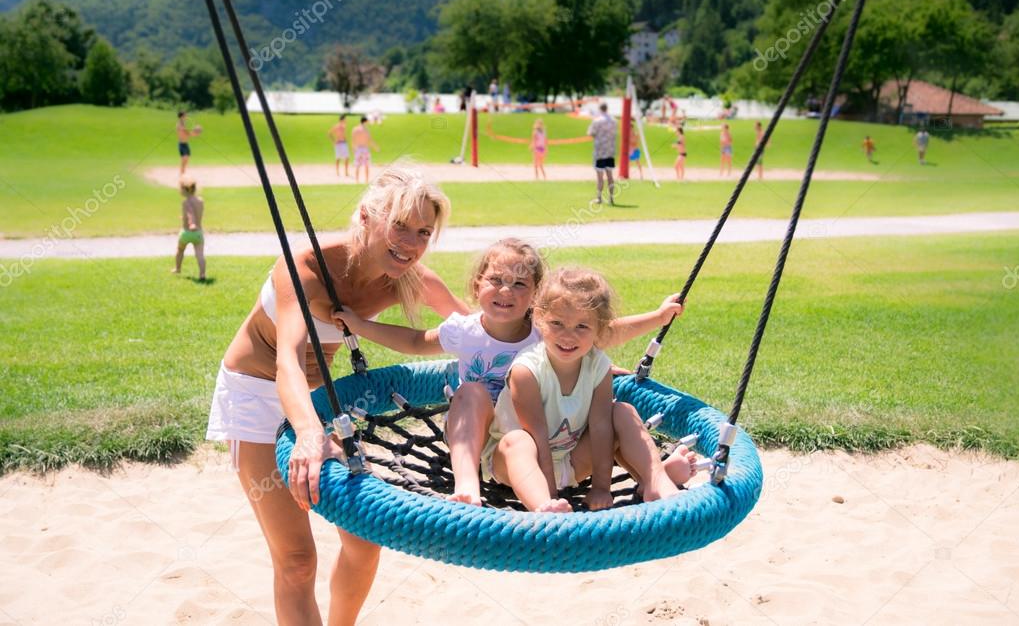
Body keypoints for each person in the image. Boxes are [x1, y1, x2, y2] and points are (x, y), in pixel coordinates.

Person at [206, 170, 469, 626]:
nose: (411, 242)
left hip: (319, 399)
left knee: (364, 539)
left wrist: (575, 364)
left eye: (423, 232)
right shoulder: (306, 264)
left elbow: (483, 333)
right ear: (366, 218)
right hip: (256, 395)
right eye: (400, 226)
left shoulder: (407, 278)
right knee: (296, 559)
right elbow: (288, 356)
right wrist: (309, 434)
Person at [334, 239, 691, 507]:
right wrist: (359, 326)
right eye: (497, 280)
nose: (506, 290)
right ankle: (467, 484)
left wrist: (656, 319)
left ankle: (653, 475)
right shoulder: (465, 330)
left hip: (560, 436)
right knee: (472, 392)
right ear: (477, 285)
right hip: (495, 438)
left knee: (617, 415)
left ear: (535, 297)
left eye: (520, 284)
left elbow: (603, 330)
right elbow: (414, 340)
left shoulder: (547, 330)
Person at [482, 267, 692, 512]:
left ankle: (655, 479)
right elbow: (537, 437)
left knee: (622, 412)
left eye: (581, 326)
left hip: (571, 461)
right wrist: (550, 495)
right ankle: (543, 506)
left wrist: (601, 487)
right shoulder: (526, 371)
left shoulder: (598, 366)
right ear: (539, 318)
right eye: (557, 323)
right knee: (518, 441)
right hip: (516, 466)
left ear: (599, 329)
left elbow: (602, 427)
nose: (568, 336)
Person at [172, 175, 206, 280]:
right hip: (198, 233)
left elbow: (190, 213)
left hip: (186, 232)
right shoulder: (201, 201)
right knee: (199, 254)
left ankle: (177, 268)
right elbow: (196, 213)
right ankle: (202, 274)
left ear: (184, 190)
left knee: (180, 250)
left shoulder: (186, 202)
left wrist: (191, 223)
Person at [587, 103, 617, 205]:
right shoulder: (614, 121)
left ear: (600, 109)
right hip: (610, 151)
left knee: (600, 177)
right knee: (610, 175)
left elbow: (591, 133)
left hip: (600, 151)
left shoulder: (597, 121)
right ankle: (611, 198)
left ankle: (599, 198)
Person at [351, 116, 379, 184]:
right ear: (365, 121)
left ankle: (357, 181)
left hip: (358, 149)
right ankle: (366, 180)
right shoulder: (366, 130)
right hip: (365, 149)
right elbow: (369, 140)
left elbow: (353, 140)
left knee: (357, 165)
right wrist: (376, 147)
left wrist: (353, 149)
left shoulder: (355, 129)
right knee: (366, 165)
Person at [177, 111, 201, 176]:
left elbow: (187, 133)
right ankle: (181, 173)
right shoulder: (180, 124)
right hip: (182, 144)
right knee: (184, 159)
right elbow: (186, 132)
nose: (186, 117)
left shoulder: (183, 124)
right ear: (181, 117)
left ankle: (183, 172)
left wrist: (195, 133)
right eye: (185, 115)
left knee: (186, 159)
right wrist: (195, 133)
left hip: (185, 144)